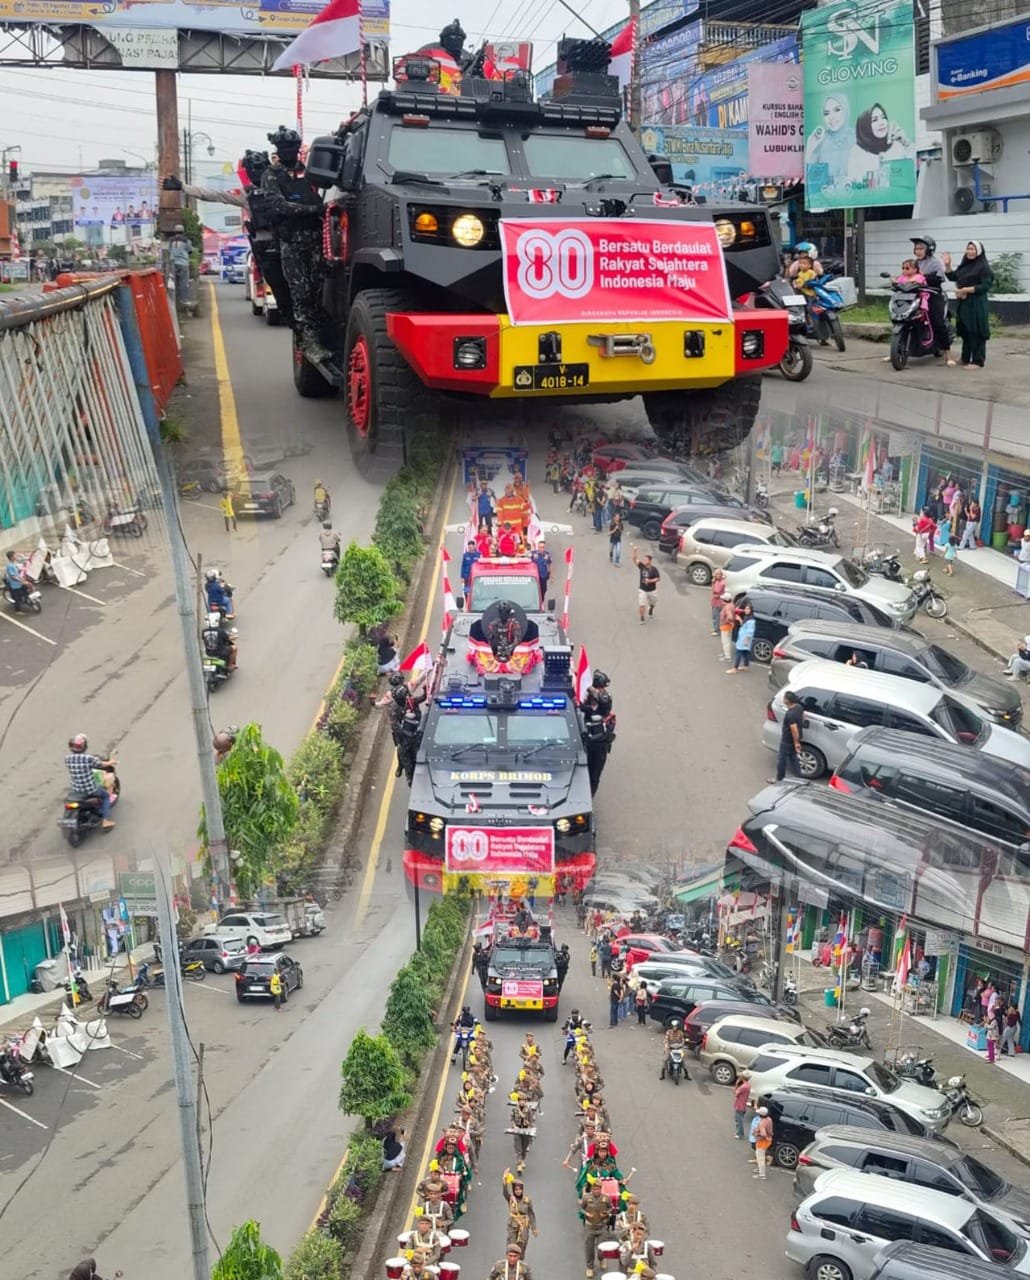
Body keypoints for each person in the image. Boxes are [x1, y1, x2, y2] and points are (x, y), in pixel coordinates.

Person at [262, 125, 330, 364]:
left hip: (315, 240)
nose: (289, 151)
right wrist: (311, 210)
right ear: (278, 149)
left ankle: (321, 336)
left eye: (293, 147)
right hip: (291, 243)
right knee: (300, 294)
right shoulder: (271, 174)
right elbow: (278, 206)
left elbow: (326, 195)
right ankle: (309, 342)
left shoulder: (309, 172)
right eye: (284, 147)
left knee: (319, 291)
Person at [943, 241, 993, 369]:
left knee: (976, 330)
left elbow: (985, 285)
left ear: (979, 251)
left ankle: (977, 361)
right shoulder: (965, 265)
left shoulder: (983, 267)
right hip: (964, 302)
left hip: (977, 303)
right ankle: (965, 358)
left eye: (973, 249)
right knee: (965, 330)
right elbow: (954, 277)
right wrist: (947, 265)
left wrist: (966, 290)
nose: (970, 252)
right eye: (968, 249)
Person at [911, 237, 954, 363]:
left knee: (937, 323)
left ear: (929, 250)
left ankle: (948, 354)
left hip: (932, 295)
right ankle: (895, 352)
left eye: (921, 249)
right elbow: (906, 275)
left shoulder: (934, 263)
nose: (918, 251)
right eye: (916, 249)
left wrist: (924, 276)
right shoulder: (914, 263)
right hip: (916, 295)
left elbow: (939, 278)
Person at [848, 102, 914, 183]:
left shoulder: (897, 146)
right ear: (865, 125)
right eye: (875, 120)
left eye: (883, 117)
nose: (882, 123)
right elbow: (853, 181)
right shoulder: (857, 152)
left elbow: (914, 172)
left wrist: (906, 143)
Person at [64, 734, 116, 830]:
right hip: (90, 789)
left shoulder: (67, 758)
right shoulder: (88, 758)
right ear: (84, 747)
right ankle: (105, 821)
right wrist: (110, 762)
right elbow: (101, 764)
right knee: (106, 796)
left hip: (76, 789)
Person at [805, 95, 851, 192]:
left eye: (837, 110)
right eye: (826, 113)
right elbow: (810, 181)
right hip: (828, 200)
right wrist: (810, 149)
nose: (831, 117)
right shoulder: (820, 140)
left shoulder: (857, 136)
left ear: (846, 110)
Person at [580, 1182, 614, 1278]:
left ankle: (602, 1259)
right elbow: (581, 1208)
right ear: (592, 1189)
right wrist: (586, 1213)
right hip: (589, 1227)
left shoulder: (606, 1198)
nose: (596, 1191)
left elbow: (611, 1208)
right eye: (594, 1189)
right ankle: (590, 1267)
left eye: (598, 1189)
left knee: (602, 1248)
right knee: (589, 1249)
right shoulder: (586, 1198)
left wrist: (607, 1213)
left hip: (602, 1226)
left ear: (601, 1189)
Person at [770, 689, 804, 783]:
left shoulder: (790, 714)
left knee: (781, 760)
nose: (783, 699)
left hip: (787, 741)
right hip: (795, 739)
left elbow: (794, 730)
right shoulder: (799, 707)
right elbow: (804, 716)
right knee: (794, 758)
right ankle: (799, 778)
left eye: (784, 697)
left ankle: (779, 779)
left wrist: (796, 742)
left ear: (787, 700)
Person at [502, 1169, 538, 1253]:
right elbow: (505, 1192)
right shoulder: (511, 1198)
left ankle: (520, 1261)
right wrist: (504, 1180)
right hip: (513, 1225)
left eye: (520, 1189)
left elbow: (531, 1214)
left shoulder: (527, 1200)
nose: (518, 1191)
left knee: (522, 1244)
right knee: (511, 1245)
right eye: (516, 1190)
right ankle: (511, 1260)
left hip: (523, 1226)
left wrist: (534, 1228)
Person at [631, 545, 660, 624]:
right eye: (644, 559)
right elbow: (634, 559)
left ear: (650, 561)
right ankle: (642, 618)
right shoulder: (642, 566)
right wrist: (635, 550)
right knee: (642, 604)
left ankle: (651, 609)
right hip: (642, 589)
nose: (644, 561)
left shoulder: (654, 569)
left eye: (646, 560)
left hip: (652, 590)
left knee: (653, 603)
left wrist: (650, 581)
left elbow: (658, 578)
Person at [729, 603, 755, 673]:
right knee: (745, 652)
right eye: (745, 608)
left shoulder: (751, 620)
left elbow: (750, 631)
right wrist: (740, 620)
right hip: (743, 637)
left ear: (751, 610)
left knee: (738, 652)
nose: (746, 610)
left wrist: (746, 640)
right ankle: (746, 666)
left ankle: (735, 668)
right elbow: (744, 625)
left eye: (748, 609)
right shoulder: (747, 617)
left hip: (744, 638)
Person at [753, 1105, 773, 1178]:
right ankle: (759, 1169)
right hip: (768, 1139)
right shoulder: (769, 1119)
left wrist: (758, 1136)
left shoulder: (762, 1123)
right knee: (761, 1155)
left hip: (762, 1141)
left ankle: (762, 1174)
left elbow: (763, 1134)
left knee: (760, 1157)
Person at [530, 540, 551, 605]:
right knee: (534, 590)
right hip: (535, 576)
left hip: (543, 575)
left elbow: (549, 564)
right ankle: (534, 602)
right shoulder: (533, 554)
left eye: (542, 547)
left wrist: (551, 574)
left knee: (543, 590)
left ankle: (541, 602)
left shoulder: (547, 554)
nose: (541, 549)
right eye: (540, 547)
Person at [718, 591, 736, 663]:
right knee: (727, 641)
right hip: (728, 626)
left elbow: (730, 617)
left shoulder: (727, 607)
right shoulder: (731, 605)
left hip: (726, 627)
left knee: (725, 641)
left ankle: (727, 656)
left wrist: (727, 621)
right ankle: (726, 654)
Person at [733, 1071, 751, 1139]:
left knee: (738, 1120)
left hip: (739, 1105)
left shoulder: (743, 1087)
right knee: (739, 1119)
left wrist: (737, 1084)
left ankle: (740, 1134)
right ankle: (739, 1133)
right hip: (743, 1105)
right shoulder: (748, 1085)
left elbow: (735, 1093)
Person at [709, 569, 727, 634]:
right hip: (715, 602)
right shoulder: (719, 581)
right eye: (717, 574)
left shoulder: (721, 583)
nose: (718, 575)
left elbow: (716, 592)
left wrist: (713, 583)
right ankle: (715, 628)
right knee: (715, 616)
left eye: (719, 574)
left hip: (718, 603)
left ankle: (716, 630)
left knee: (716, 617)